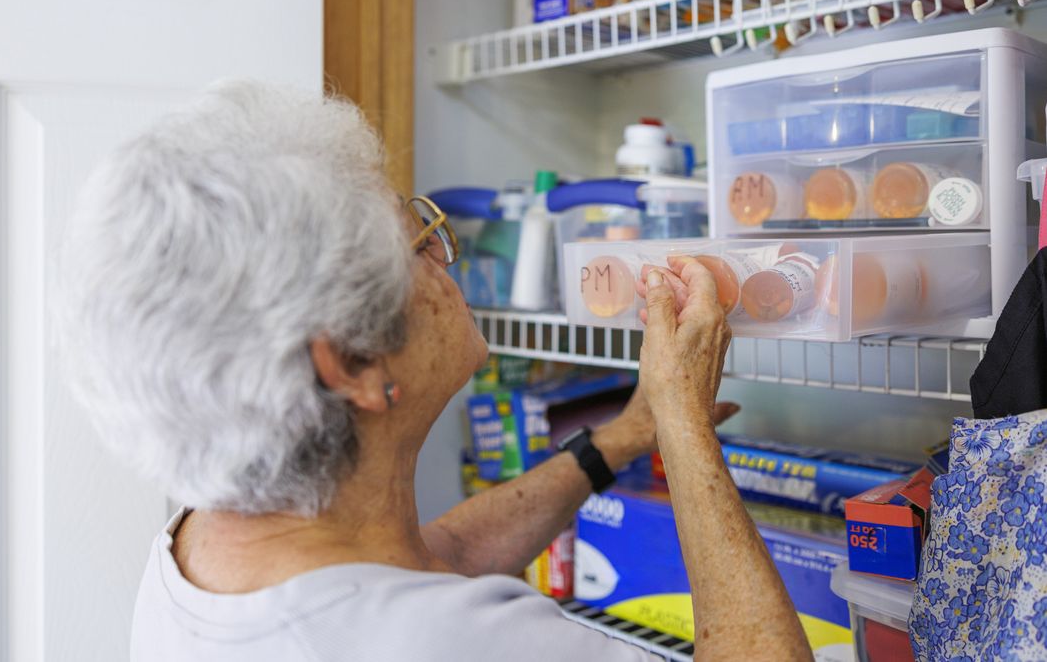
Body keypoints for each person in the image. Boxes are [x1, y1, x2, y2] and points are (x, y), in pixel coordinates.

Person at [56, 81, 813, 661]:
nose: (444, 261)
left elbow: (431, 560)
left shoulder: (199, 546)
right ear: (351, 359)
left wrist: (626, 435)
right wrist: (684, 430)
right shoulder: (443, 644)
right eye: (416, 244)